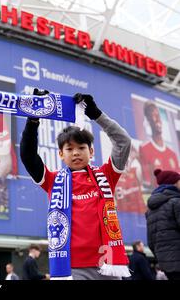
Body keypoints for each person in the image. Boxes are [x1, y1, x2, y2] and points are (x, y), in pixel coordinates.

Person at [20, 90, 132, 280]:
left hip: (108, 264)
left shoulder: (106, 175)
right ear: (61, 155)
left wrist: (96, 114)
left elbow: (123, 142)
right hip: (72, 268)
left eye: (81, 148)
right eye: (69, 149)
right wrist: (33, 120)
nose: (76, 153)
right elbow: (28, 155)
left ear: (91, 151)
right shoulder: (52, 180)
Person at [146, 168, 180, 280]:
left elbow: (151, 242)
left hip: (167, 265)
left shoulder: (151, 210)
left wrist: (163, 258)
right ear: (174, 183)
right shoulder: (176, 202)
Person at [139, 101, 180, 189]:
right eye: (153, 116)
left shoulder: (172, 154)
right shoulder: (144, 149)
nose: (157, 119)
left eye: (158, 115)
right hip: (161, 200)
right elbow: (147, 185)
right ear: (148, 120)